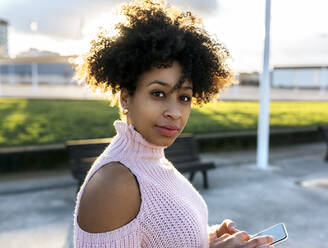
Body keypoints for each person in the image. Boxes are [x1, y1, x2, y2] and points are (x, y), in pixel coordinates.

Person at [73, 0, 274, 247]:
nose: (175, 112)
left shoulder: (153, 159)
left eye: (184, 97)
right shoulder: (114, 183)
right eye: (158, 93)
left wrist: (210, 238)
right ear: (126, 96)